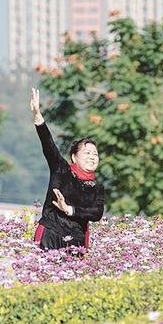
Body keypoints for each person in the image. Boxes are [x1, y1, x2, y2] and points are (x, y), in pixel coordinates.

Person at [29, 88, 105, 251]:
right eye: (87, 153)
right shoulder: (61, 170)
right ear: (74, 157)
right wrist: (38, 118)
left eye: (95, 154)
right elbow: (49, 146)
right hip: (50, 234)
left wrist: (70, 210)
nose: (92, 157)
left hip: (76, 241)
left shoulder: (96, 188)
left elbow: (96, 213)